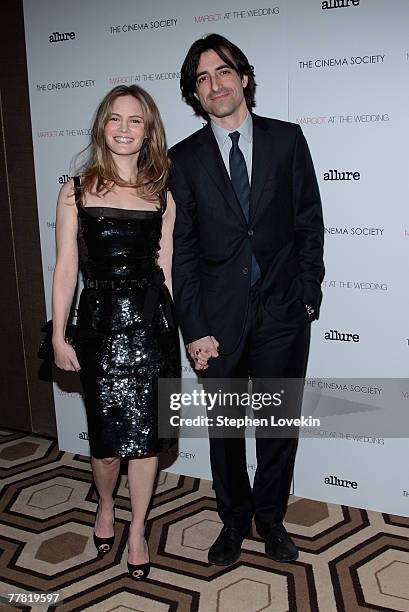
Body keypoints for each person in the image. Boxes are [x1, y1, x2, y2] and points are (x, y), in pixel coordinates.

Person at [169, 34, 324, 566]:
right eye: (203, 78)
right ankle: (233, 523)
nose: (215, 84)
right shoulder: (183, 160)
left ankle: (272, 520)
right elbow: (182, 252)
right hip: (217, 321)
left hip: (284, 311)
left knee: (278, 426)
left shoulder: (287, 140)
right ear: (196, 93)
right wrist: (194, 327)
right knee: (226, 431)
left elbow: (308, 220)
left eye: (223, 72)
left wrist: (308, 294)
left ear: (244, 77)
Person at [51, 85, 180, 580]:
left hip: (152, 329)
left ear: (148, 131)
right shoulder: (76, 189)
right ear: (102, 126)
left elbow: (165, 269)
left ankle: (139, 528)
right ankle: (106, 503)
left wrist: (176, 331)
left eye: (135, 121)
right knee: (107, 446)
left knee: (146, 442)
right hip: (99, 328)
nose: (124, 129)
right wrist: (61, 336)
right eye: (115, 119)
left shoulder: (162, 194)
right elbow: (66, 270)